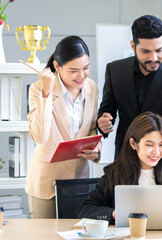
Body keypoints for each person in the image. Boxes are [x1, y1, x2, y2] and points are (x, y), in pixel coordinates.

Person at [97, 15, 162, 162]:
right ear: (132, 46)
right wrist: (103, 122)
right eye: (146, 51)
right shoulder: (114, 70)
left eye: (159, 50)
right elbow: (106, 111)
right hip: (124, 162)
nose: (154, 58)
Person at [25, 36, 101, 219]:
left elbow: (90, 128)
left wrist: (97, 150)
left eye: (86, 68)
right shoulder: (38, 89)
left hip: (79, 183)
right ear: (57, 67)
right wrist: (46, 93)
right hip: (46, 184)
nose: (81, 76)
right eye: (74, 70)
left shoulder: (92, 88)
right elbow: (40, 136)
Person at [77, 112, 162, 223]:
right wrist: (115, 214)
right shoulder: (115, 173)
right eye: (149, 145)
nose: (157, 152)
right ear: (133, 143)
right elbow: (85, 210)